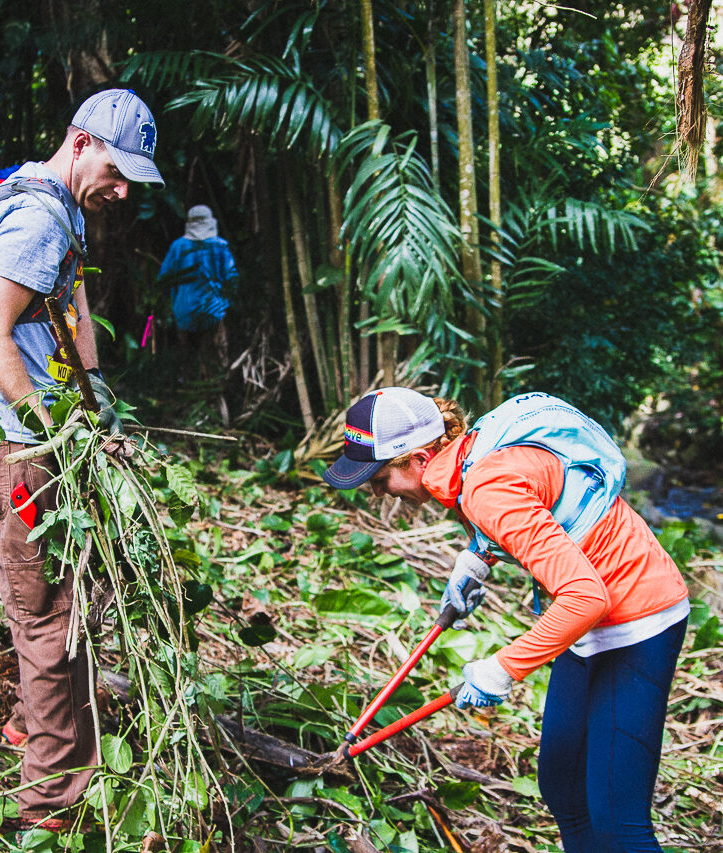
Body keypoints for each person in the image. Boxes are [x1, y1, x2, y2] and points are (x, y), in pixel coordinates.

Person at [322, 387, 689, 853]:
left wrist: (503, 668)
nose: (377, 492)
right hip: (589, 629)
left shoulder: (484, 488)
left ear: (417, 459)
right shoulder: (471, 456)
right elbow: (534, 500)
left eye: (378, 478)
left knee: (618, 821)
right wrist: (477, 559)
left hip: (639, 621)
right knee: (563, 788)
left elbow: (583, 595)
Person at [0, 88, 164, 831]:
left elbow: (69, 304)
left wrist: (93, 394)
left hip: (5, 429)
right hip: (9, 439)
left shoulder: (54, 205)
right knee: (51, 612)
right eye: (116, 170)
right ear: (79, 141)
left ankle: (35, 726)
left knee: (53, 588)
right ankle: (51, 804)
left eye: (132, 177)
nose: (121, 189)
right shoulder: (37, 215)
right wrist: (53, 428)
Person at [156, 204, 237, 376]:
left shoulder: (178, 246)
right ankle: (213, 389)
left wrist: (168, 300)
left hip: (183, 309)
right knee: (214, 356)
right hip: (214, 309)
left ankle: (187, 385)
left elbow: (164, 279)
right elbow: (231, 278)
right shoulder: (220, 246)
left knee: (187, 355)